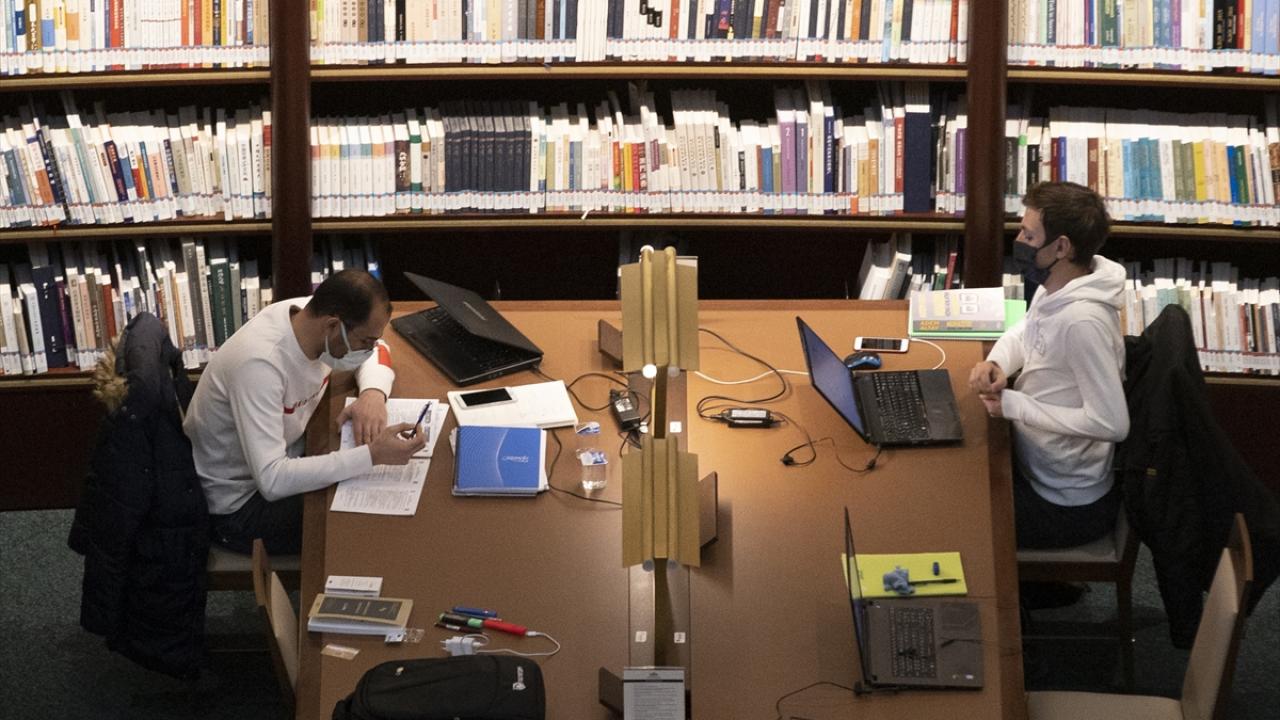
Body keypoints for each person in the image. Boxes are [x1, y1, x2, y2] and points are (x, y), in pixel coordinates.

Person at [184, 269, 426, 555]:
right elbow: (272, 479)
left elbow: (381, 348)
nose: (369, 349)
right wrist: (372, 455)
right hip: (239, 506)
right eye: (364, 342)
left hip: (292, 453)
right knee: (365, 524)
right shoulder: (259, 367)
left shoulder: (312, 317)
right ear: (333, 326)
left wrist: (372, 392)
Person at [969, 181, 1130, 551]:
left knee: (959, 516)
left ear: (1061, 247)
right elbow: (1027, 329)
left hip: (1065, 503)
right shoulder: (1058, 283)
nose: (1019, 241)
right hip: (1035, 463)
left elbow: (1112, 423)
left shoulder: (1082, 323)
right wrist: (997, 361)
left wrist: (1015, 405)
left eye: (1029, 235)